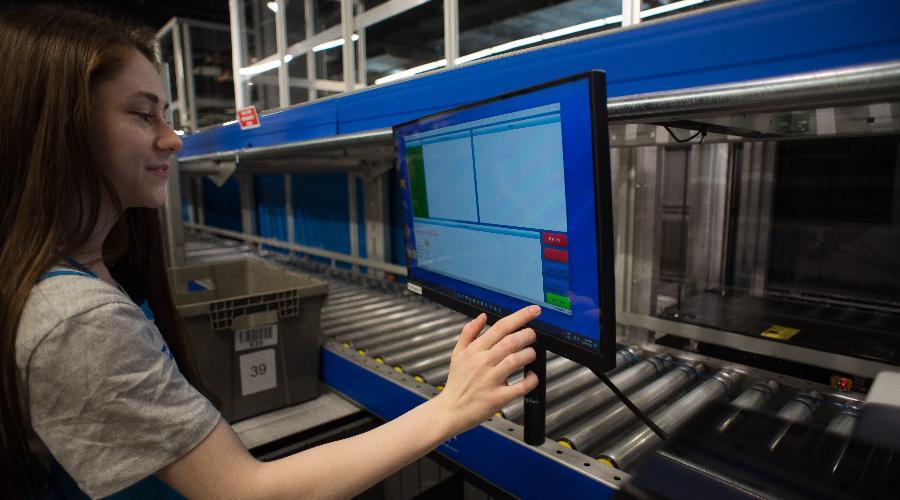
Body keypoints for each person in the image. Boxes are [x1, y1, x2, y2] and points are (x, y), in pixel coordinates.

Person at [0, 5, 540, 499]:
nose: (173, 138)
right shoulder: (79, 319)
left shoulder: (82, 267)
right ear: (59, 125)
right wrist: (451, 408)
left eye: (166, 114)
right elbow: (245, 493)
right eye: (144, 115)